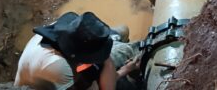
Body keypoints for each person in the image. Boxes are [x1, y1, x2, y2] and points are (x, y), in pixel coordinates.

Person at [14, 12, 143, 90]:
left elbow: (106, 60)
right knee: (127, 51)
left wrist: (125, 69)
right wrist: (121, 73)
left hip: (62, 74)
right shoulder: (57, 67)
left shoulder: (64, 31)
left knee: (119, 41)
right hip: (51, 85)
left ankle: (114, 38)